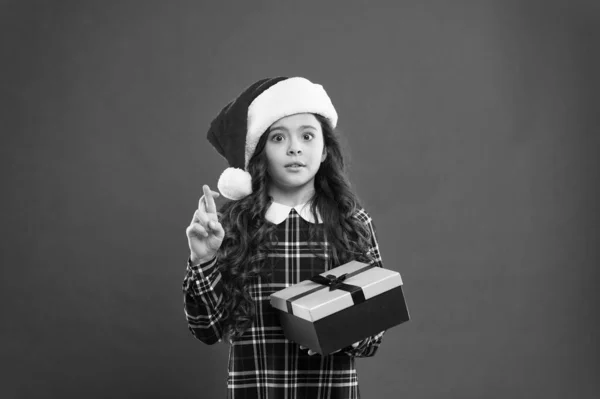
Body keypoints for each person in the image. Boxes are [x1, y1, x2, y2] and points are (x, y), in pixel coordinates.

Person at [183, 77, 386, 398]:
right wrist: (203, 259)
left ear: (323, 151)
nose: (295, 147)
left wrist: (335, 328)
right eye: (278, 137)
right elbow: (207, 330)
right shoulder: (230, 227)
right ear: (261, 152)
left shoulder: (353, 223)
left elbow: (372, 338)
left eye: (307, 135)